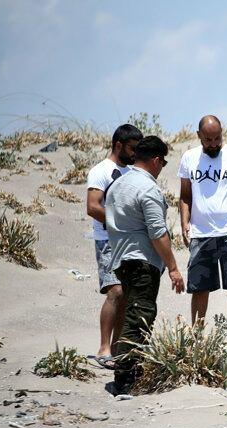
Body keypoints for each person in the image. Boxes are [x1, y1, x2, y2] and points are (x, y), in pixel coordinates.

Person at [105, 135, 185, 393]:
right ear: (155, 160)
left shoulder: (118, 184)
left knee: (132, 314)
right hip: (141, 262)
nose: (162, 168)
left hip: (121, 259)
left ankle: (131, 371)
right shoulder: (148, 189)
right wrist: (172, 267)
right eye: (163, 163)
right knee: (139, 318)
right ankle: (126, 379)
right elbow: (157, 233)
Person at [177, 115, 227, 327]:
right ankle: (197, 340)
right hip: (201, 233)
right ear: (199, 136)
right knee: (200, 288)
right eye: (208, 140)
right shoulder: (189, 158)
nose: (213, 144)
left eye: (217, 138)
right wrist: (184, 222)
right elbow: (185, 195)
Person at [85, 123, 143, 368]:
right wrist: (119, 222)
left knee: (127, 295)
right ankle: (104, 347)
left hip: (129, 241)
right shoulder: (100, 171)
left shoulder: (132, 173)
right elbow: (93, 206)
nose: (134, 154)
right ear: (118, 145)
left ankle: (118, 348)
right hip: (107, 240)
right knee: (115, 291)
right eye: (131, 148)